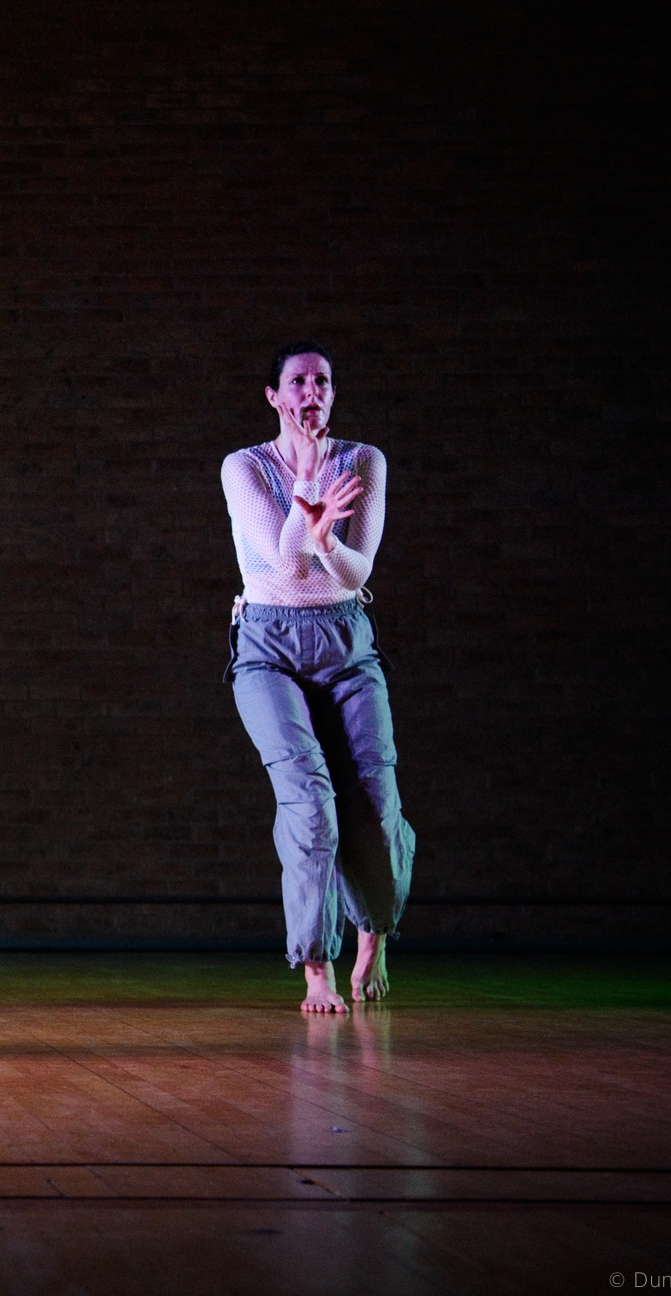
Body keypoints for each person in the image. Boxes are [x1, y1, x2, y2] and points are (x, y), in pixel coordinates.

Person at [220, 342, 416, 1013]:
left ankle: (375, 933)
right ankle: (315, 968)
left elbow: (356, 573)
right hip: (268, 646)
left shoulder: (363, 461)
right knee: (310, 803)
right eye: (299, 381)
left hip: (345, 639)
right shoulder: (245, 466)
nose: (313, 391)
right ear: (274, 396)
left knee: (377, 807)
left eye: (323, 381)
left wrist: (329, 536)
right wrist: (305, 481)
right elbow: (286, 563)